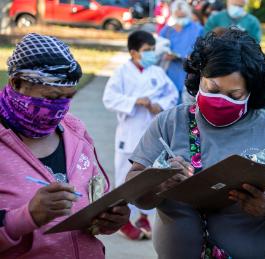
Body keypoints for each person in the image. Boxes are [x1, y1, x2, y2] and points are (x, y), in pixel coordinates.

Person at [126, 28, 265, 258]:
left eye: (234, 95)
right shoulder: (170, 122)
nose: (221, 101)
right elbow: (133, 189)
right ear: (198, 76)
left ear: (252, 92)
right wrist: (159, 182)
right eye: (212, 88)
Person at [0, 33, 130, 258]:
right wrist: (26, 217)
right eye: (52, 96)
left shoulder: (75, 131)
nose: (60, 108)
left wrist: (110, 219)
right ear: (16, 83)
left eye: (68, 97)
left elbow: (98, 194)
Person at [102, 30, 178, 240]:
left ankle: (144, 215)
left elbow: (172, 94)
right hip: (130, 132)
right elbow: (109, 98)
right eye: (147, 50)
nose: (151, 54)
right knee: (125, 177)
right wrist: (135, 101)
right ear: (134, 53)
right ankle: (122, 220)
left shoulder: (157, 72)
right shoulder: (122, 73)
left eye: (153, 50)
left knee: (152, 175)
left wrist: (159, 105)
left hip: (152, 132)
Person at [160, 0, 203, 103]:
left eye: (183, 17)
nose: (180, 20)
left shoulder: (198, 30)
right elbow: (158, 46)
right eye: (178, 17)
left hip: (190, 71)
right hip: (171, 71)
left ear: (188, 15)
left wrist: (180, 56)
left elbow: (201, 51)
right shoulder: (167, 30)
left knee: (187, 104)